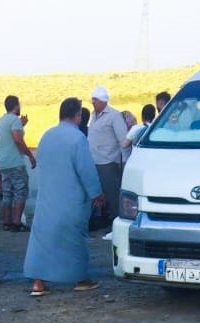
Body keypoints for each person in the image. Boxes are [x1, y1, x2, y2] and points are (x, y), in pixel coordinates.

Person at [24, 98, 106, 295]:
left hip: (47, 198)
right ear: (77, 115)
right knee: (75, 238)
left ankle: (38, 282)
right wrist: (96, 193)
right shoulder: (77, 138)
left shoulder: (47, 136)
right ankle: (81, 279)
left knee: (42, 238)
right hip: (71, 199)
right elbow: (86, 170)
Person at [86, 86, 128, 233]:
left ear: (103, 101)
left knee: (111, 194)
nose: (93, 102)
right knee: (98, 193)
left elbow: (123, 139)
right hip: (94, 161)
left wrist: (125, 161)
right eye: (92, 100)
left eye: (96, 100)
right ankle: (102, 220)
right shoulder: (93, 115)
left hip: (108, 161)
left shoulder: (114, 116)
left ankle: (115, 225)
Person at [0, 95, 35, 232]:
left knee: (7, 193)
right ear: (16, 106)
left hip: (3, 162)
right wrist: (30, 155)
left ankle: (7, 222)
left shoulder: (1, 120)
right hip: (15, 162)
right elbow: (17, 139)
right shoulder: (14, 120)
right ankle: (17, 222)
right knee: (20, 191)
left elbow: (8, 136)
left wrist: (21, 125)